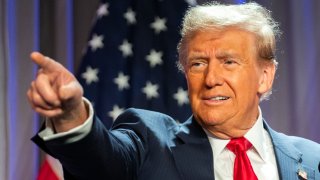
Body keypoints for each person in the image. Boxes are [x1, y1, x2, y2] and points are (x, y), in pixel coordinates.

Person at [28, 2, 320, 180]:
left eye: (229, 62)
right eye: (197, 63)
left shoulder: (312, 160)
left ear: (265, 77)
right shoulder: (149, 144)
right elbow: (101, 161)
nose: (210, 78)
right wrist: (71, 115)